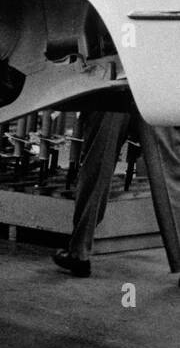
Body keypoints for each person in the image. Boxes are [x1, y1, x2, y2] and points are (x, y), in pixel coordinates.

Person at [54, 105, 180, 279]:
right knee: (166, 172)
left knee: (97, 165)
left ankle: (79, 252)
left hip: (113, 88)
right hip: (152, 87)